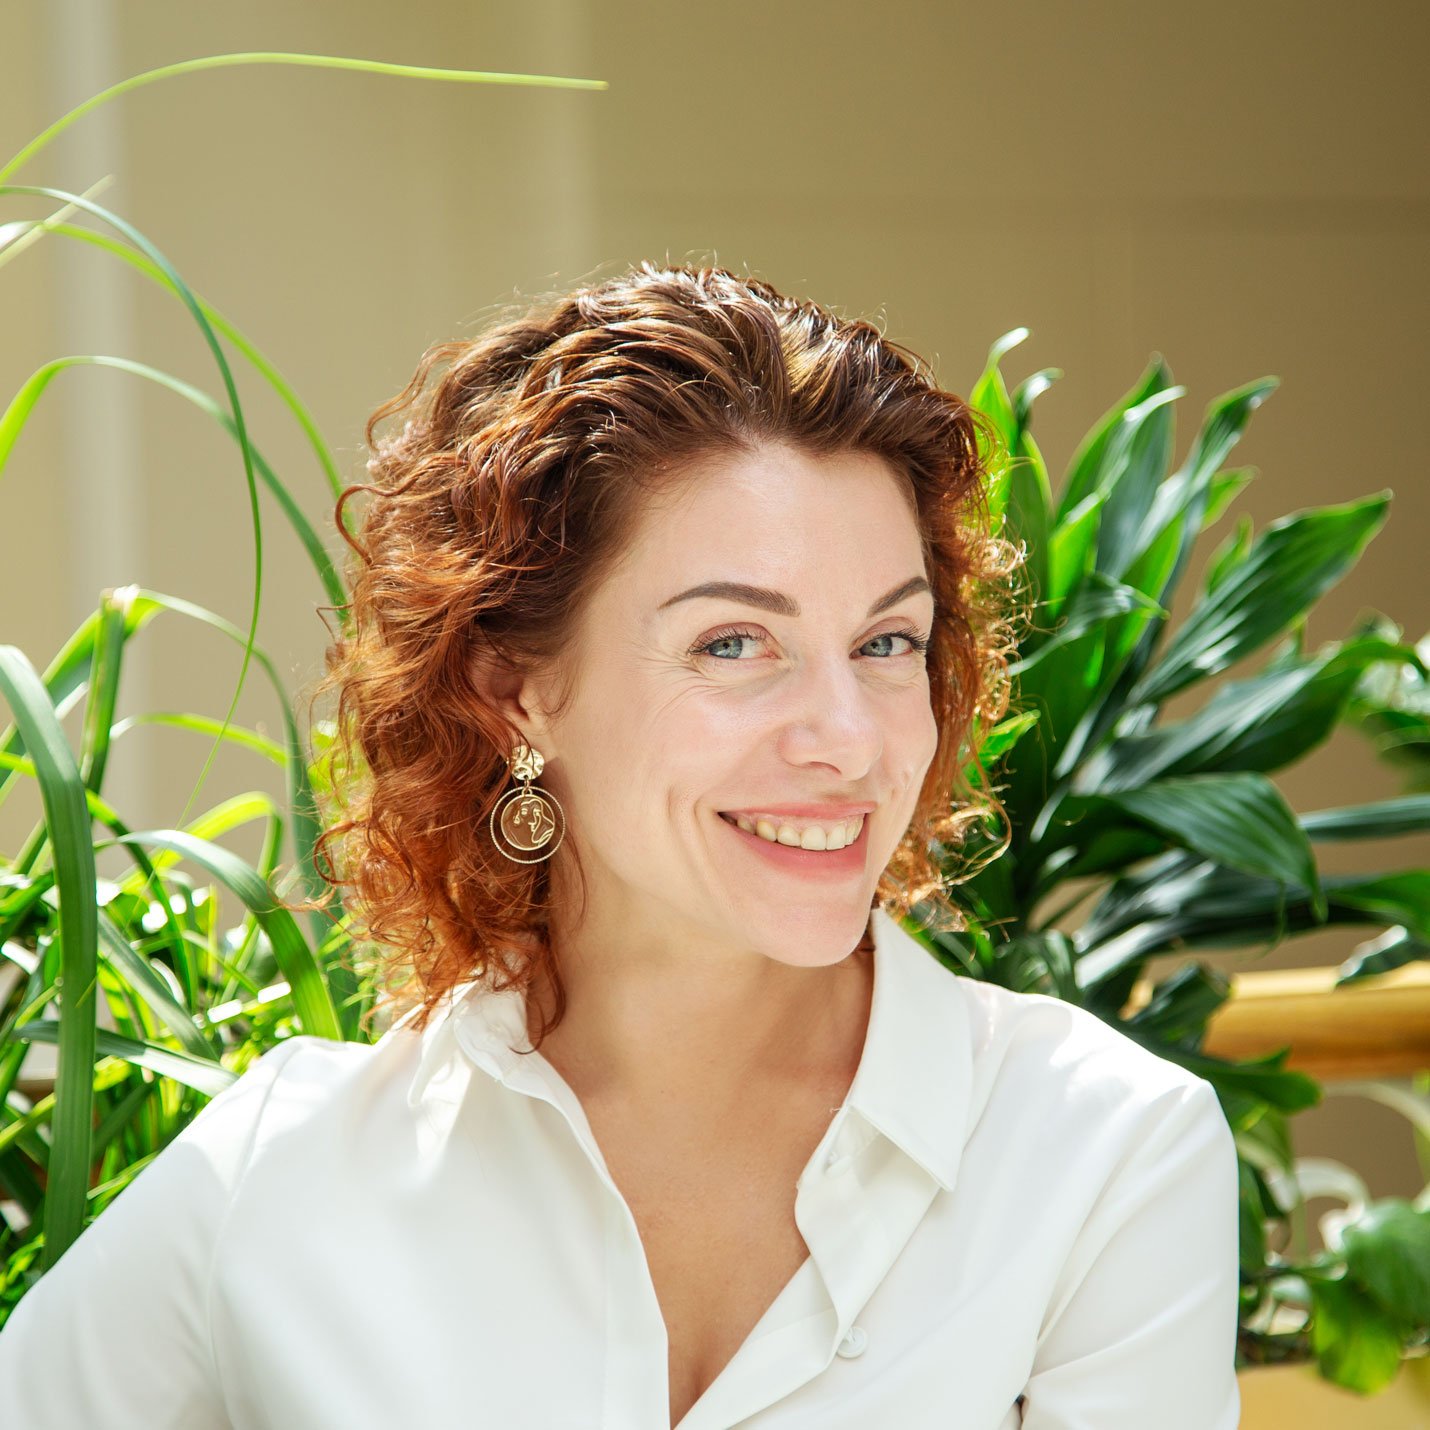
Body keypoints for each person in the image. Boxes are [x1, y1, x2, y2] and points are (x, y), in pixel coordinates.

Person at [0, 262, 1241, 1429]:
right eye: (731, 645)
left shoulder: (1098, 1153)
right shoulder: (286, 1173)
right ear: (513, 685)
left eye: (885, 643)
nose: (848, 742)